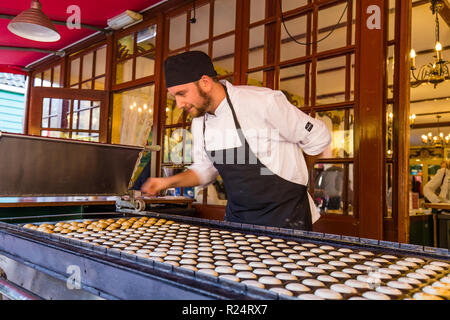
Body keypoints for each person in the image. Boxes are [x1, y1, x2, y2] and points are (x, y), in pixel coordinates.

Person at [141, 51, 331, 230]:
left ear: (205, 82)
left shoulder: (262, 102)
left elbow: (318, 137)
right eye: (175, 96)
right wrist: (166, 182)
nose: (179, 104)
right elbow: (205, 170)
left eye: (182, 93)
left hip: (286, 218)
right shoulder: (200, 124)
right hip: (239, 222)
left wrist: (297, 177)